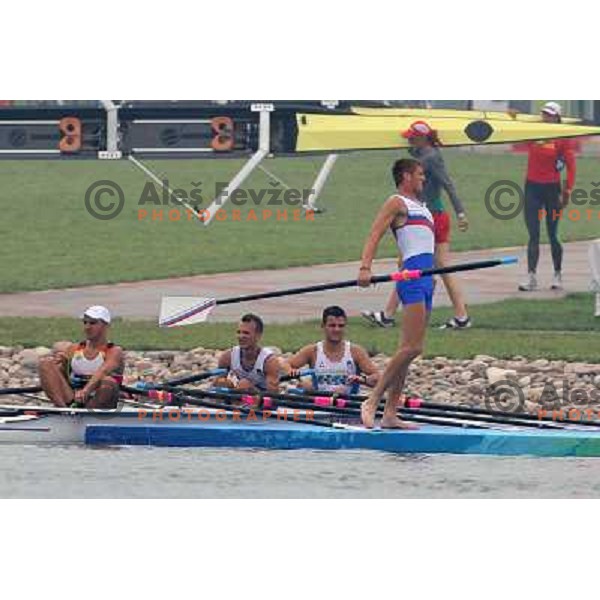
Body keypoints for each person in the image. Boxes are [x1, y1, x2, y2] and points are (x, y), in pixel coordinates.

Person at [361, 120, 471, 330]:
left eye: (412, 136)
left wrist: (461, 212)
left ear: (422, 137)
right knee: (408, 265)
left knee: (439, 267)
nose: (408, 139)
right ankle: (388, 314)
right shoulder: (422, 155)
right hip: (423, 215)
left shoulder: (430, 158)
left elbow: (448, 184)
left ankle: (461, 315)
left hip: (433, 216)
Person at [358, 158, 433, 429]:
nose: (424, 179)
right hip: (413, 278)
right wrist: (366, 268)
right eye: (420, 174)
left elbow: (413, 243)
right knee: (413, 347)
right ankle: (372, 400)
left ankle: (390, 413)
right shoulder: (396, 202)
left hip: (427, 277)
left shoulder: (423, 208)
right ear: (406, 176)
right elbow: (375, 234)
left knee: (408, 349)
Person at [517, 101, 576, 292]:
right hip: (532, 188)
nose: (546, 117)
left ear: (557, 117)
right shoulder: (535, 132)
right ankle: (531, 276)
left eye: (550, 115)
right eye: (544, 114)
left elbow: (571, 166)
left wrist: (567, 190)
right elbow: (518, 135)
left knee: (553, 234)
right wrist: (513, 118)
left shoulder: (563, 138)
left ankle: (557, 274)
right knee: (533, 235)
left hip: (552, 190)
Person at [38, 305, 124, 409]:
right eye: (85, 322)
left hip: (100, 400)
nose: (87, 327)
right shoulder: (74, 349)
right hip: (73, 398)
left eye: (93, 323)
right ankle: (63, 410)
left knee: (108, 382)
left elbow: (103, 371)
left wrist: (86, 390)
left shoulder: (114, 351)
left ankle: (87, 416)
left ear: (106, 326)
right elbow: (62, 375)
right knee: (45, 363)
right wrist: (62, 363)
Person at [285, 305, 380, 395]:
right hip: (320, 404)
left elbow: (378, 377)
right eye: (332, 325)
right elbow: (284, 364)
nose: (337, 329)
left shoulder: (356, 352)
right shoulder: (312, 351)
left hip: (348, 404)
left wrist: (363, 380)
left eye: (341, 326)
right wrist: (297, 377)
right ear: (323, 326)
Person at [216, 313, 280, 393]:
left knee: (244, 386)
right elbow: (216, 383)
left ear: (258, 336)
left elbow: (273, 395)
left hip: (260, 399)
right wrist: (225, 383)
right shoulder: (227, 357)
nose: (241, 336)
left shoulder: (269, 361)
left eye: (246, 333)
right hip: (239, 396)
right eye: (239, 332)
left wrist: (251, 389)